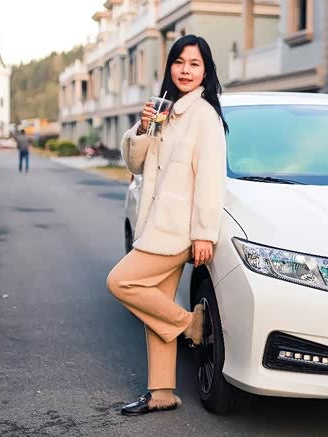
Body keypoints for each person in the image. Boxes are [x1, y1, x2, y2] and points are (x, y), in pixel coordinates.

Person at [106, 34, 228, 416]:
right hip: (154, 223)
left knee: (120, 281)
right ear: (170, 67)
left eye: (194, 63)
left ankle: (191, 325)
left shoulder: (204, 116)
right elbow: (137, 164)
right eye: (179, 62)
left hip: (175, 230)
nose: (185, 70)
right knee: (155, 308)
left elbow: (210, 179)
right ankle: (161, 392)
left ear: (206, 71)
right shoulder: (165, 109)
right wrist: (143, 129)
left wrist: (204, 233)